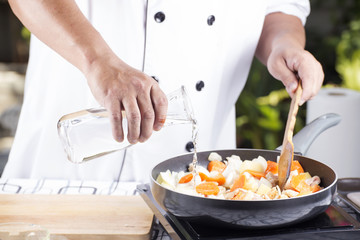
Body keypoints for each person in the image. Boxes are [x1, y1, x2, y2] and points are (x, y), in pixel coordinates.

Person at [2, 0, 324, 182]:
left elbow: (280, 8)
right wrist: (98, 60)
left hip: (203, 184)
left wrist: (285, 44)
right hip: (67, 175)